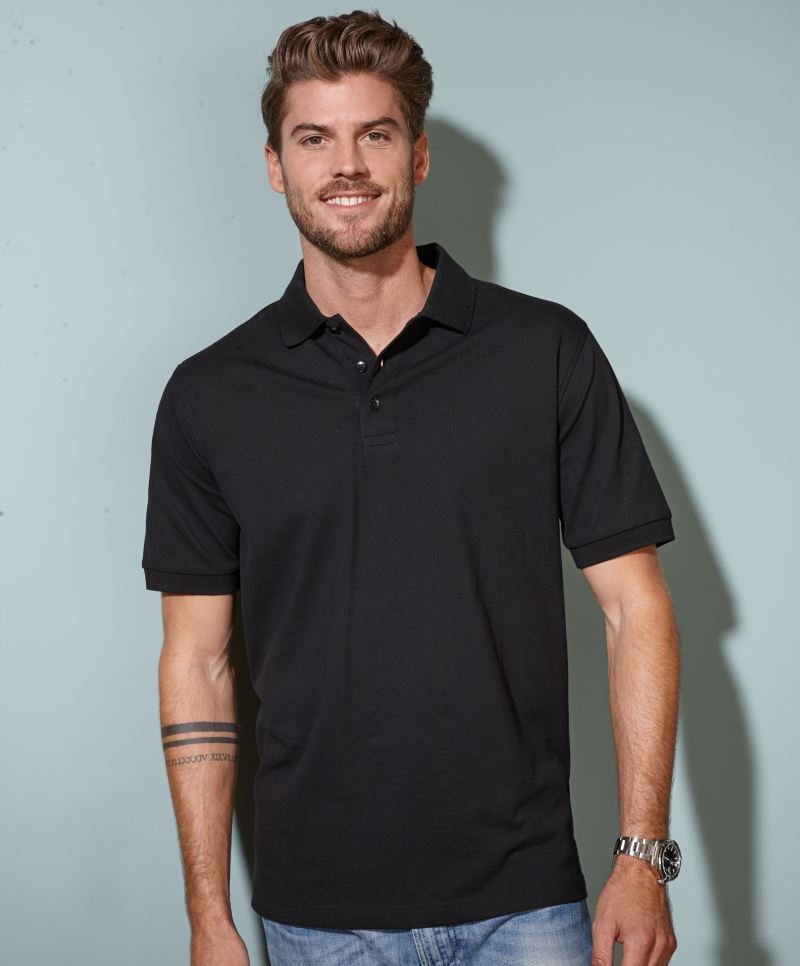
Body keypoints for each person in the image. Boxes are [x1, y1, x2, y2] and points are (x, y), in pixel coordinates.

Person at [142, 10, 681, 966]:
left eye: (375, 135)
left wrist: (641, 859)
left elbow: (636, 610)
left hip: (527, 903)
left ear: (419, 156)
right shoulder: (209, 395)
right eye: (314, 138)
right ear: (275, 165)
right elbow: (196, 663)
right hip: (316, 914)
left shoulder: (545, 351)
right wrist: (208, 915)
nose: (346, 165)